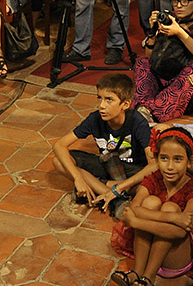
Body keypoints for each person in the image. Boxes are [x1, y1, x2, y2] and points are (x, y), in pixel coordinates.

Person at [109, 126, 193, 286]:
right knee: (151, 202)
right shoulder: (154, 178)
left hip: (176, 258)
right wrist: (173, 218)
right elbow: (135, 208)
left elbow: (179, 231)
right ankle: (137, 272)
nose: (169, 167)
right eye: (164, 158)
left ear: (189, 161)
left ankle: (149, 277)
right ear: (156, 159)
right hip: (149, 251)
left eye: (178, 159)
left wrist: (136, 222)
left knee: (169, 207)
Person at [51, 72, 154, 215]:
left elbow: (153, 165)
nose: (101, 105)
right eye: (99, 98)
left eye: (109, 100)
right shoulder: (95, 119)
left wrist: (120, 186)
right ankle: (115, 199)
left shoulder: (137, 122)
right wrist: (78, 178)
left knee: (149, 184)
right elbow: (59, 145)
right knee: (59, 161)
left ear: (125, 104)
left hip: (132, 171)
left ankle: (99, 188)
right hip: (107, 165)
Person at [135, 0, 193, 122]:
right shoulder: (170, 18)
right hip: (163, 72)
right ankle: (144, 110)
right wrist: (152, 32)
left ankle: (150, 111)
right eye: (175, 1)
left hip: (182, 81)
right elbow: (151, 57)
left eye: (185, 1)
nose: (179, 5)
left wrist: (179, 32)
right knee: (142, 62)